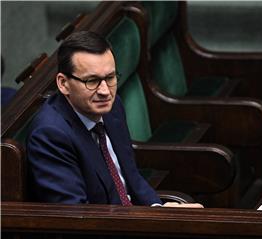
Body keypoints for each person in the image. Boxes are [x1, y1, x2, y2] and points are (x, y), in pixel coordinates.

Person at [27, 31, 202, 208]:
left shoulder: (112, 106)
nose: (105, 91)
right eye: (92, 81)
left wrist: (158, 210)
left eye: (110, 78)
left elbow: (131, 177)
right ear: (63, 83)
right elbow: (76, 216)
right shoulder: (50, 135)